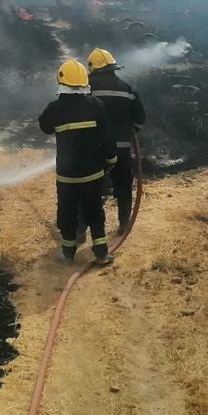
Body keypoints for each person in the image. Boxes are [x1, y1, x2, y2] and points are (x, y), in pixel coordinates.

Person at [38, 59, 116, 264]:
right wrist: (111, 159)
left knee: (66, 211)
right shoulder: (96, 105)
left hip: (67, 175)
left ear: (61, 81)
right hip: (93, 172)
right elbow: (107, 137)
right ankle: (101, 253)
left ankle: (68, 253)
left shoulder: (54, 108)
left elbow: (44, 127)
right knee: (95, 211)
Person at [87, 47, 146, 231]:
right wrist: (128, 134)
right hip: (121, 148)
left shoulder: (85, 89)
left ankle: (83, 232)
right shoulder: (128, 89)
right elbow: (140, 120)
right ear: (113, 67)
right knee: (123, 185)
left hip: (93, 150)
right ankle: (123, 223)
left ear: (93, 68)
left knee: (89, 190)